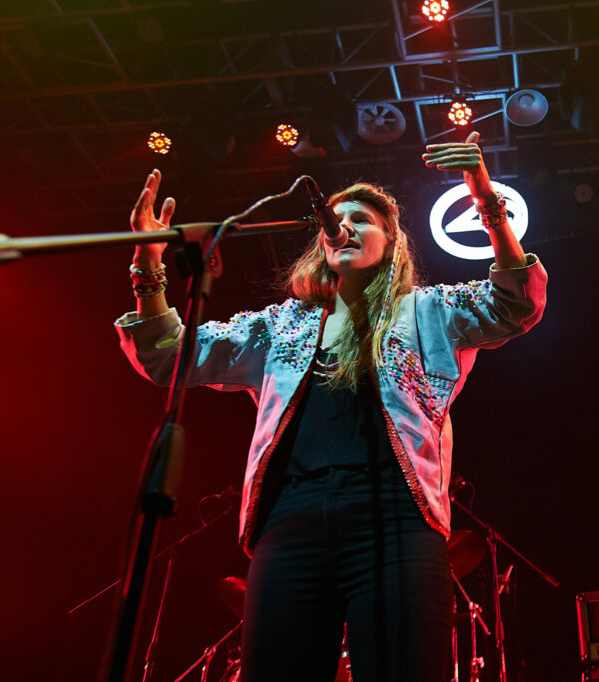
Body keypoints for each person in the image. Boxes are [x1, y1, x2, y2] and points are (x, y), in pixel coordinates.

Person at [115, 131, 547, 682]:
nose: (343, 226)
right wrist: (148, 262)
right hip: (291, 523)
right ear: (321, 243)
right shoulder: (279, 325)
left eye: (362, 220)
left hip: (396, 519)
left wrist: (486, 201)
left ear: (390, 244)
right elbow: (170, 355)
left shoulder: (429, 312)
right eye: (335, 220)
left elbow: (515, 302)